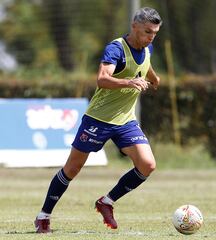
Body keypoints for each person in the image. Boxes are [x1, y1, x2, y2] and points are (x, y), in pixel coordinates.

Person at [34, 7, 162, 233]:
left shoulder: (147, 47)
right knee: (72, 169)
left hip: (125, 121)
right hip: (98, 119)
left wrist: (153, 77)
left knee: (147, 165)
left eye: (154, 33)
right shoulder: (117, 49)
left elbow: (146, 63)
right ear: (134, 26)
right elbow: (102, 79)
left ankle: (107, 202)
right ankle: (43, 216)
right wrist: (129, 82)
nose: (151, 37)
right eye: (147, 32)